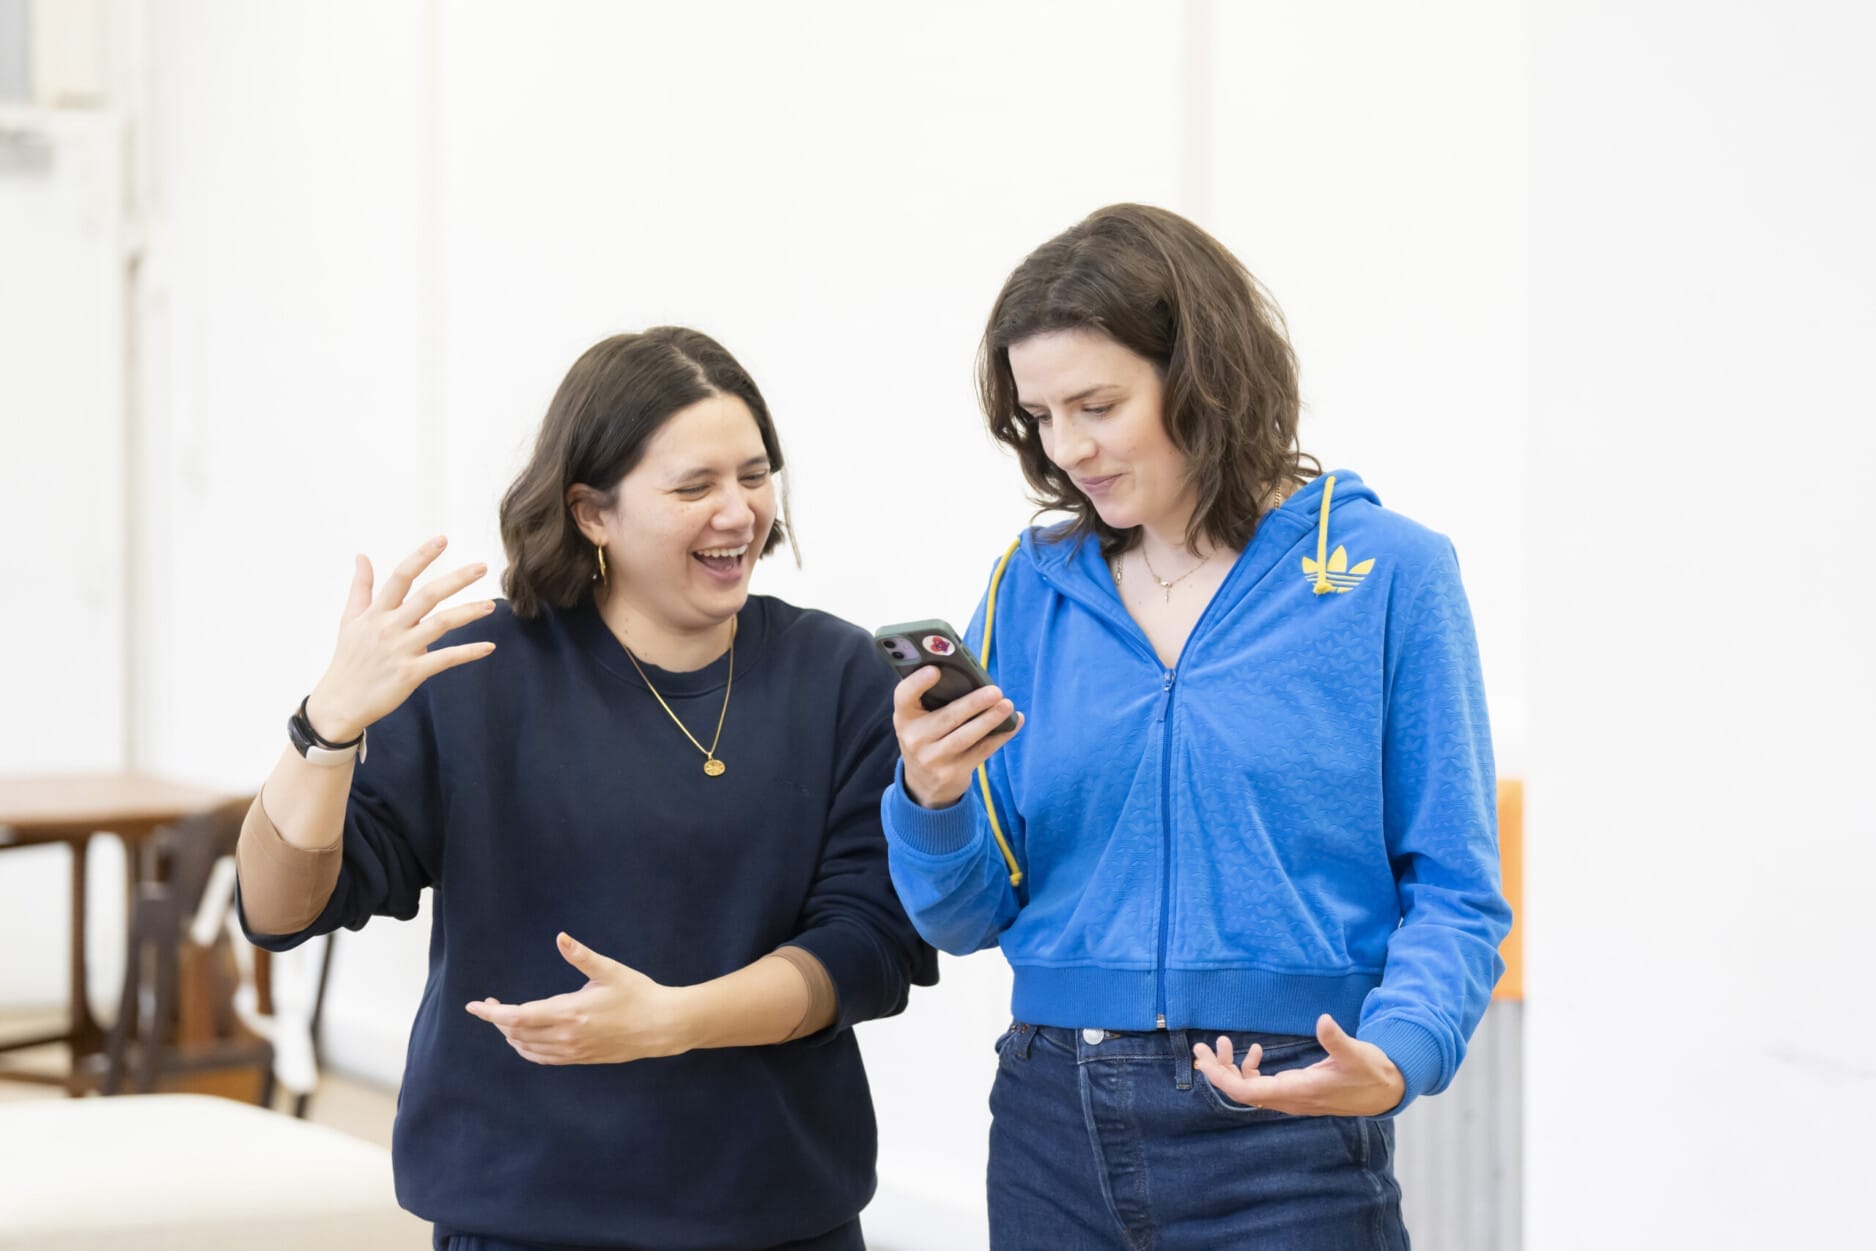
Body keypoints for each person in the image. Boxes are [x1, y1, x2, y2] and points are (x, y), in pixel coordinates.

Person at [880, 204, 1511, 1250]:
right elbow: (962, 919)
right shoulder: (1031, 586)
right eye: (1039, 416)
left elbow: (1455, 888)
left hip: (1287, 1128)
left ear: (1201, 375)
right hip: (1049, 1121)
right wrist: (932, 802)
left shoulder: (1388, 575)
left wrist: (1399, 1051)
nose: (1066, 447)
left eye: (1097, 404)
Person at [237, 326, 935, 1251]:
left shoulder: (837, 670)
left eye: (755, 475)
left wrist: (674, 1021)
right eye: (695, 487)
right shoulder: (480, 668)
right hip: (521, 1210)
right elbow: (281, 907)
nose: (739, 512)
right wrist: (325, 729)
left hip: (773, 1211)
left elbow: (870, 947)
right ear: (591, 512)